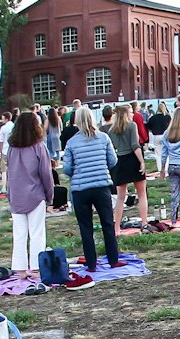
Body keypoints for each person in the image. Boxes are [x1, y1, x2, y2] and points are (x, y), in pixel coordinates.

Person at [64, 105, 120, 274]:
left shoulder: (72, 143)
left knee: (85, 227)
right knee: (108, 224)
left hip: (80, 189)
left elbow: (67, 169)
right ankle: (113, 259)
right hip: (101, 185)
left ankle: (91, 263)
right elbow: (113, 161)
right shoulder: (103, 138)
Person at [4, 111, 55, 282]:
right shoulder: (39, 147)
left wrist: (8, 193)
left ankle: (19, 268)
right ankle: (36, 267)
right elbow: (46, 174)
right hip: (35, 195)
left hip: (16, 195)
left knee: (19, 234)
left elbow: (9, 172)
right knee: (37, 233)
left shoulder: (11, 148)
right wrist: (50, 196)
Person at [107, 105, 151, 231]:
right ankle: (144, 223)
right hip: (133, 159)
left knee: (120, 197)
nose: (132, 114)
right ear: (125, 114)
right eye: (131, 112)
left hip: (119, 161)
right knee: (142, 194)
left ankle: (116, 227)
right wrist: (142, 162)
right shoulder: (132, 126)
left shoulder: (111, 130)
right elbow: (135, 146)